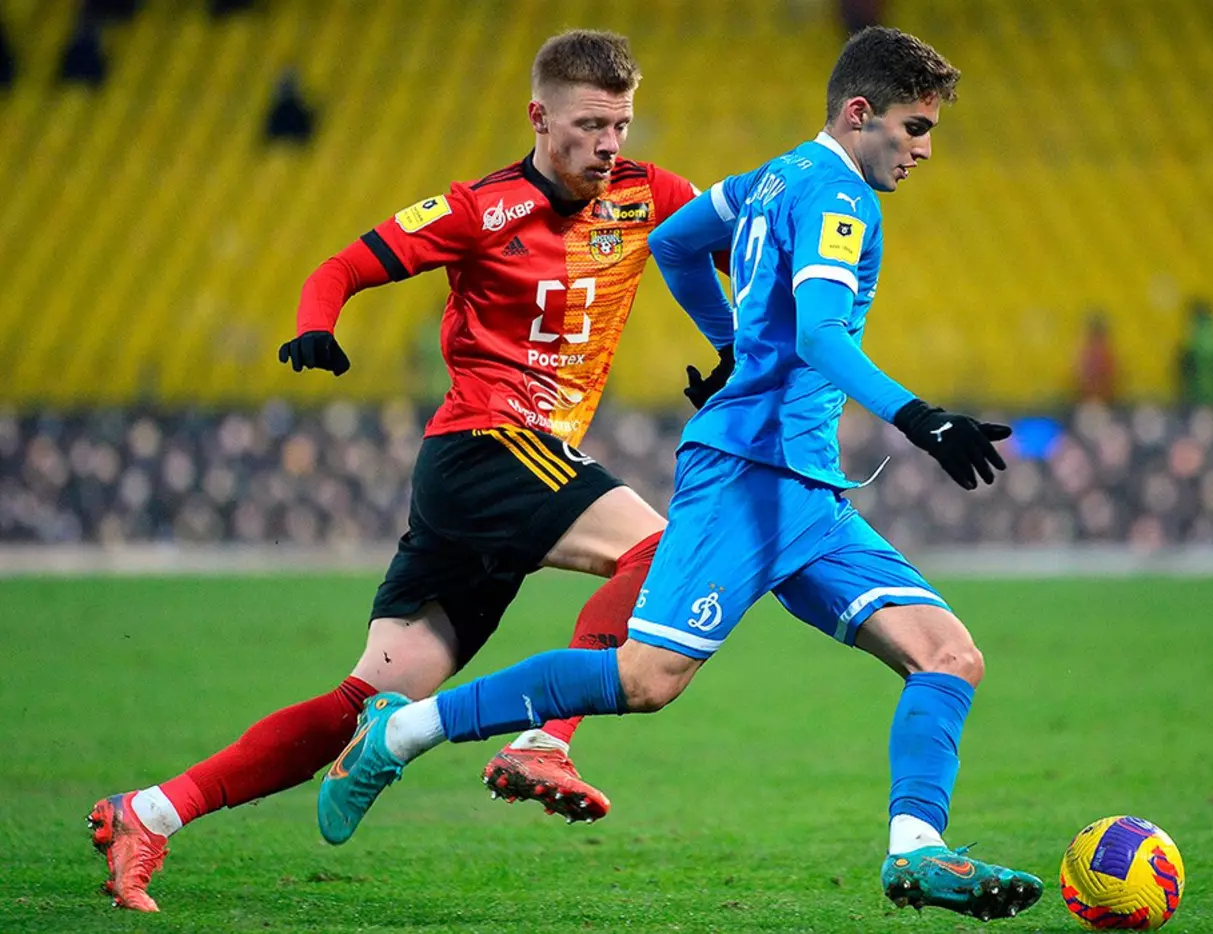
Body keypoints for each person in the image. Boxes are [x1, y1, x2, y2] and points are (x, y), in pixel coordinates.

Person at [319, 26, 1043, 923]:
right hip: (747, 474)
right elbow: (821, 335)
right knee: (644, 680)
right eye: (915, 128)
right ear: (860, 113)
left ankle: (917, 850)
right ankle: (402, 729)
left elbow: (673, 243)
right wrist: (920, 418)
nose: (925, 150)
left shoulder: (769, 178)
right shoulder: (840, 199)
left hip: (808, 488)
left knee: (949, 656)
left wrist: (735, 346)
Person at [88, 29, 726, 912]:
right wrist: (318, 323)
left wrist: (740, 346)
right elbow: (343, 265)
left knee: (364, 702)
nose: (609, 144)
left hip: (512, 473)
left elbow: (744, 259)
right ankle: (546, 739)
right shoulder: (478, 210)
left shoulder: (650, 195)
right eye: (589, 125)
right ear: (540, 118)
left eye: (619, 124)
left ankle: (149, 812)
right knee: (663, 548)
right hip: (486, 447)